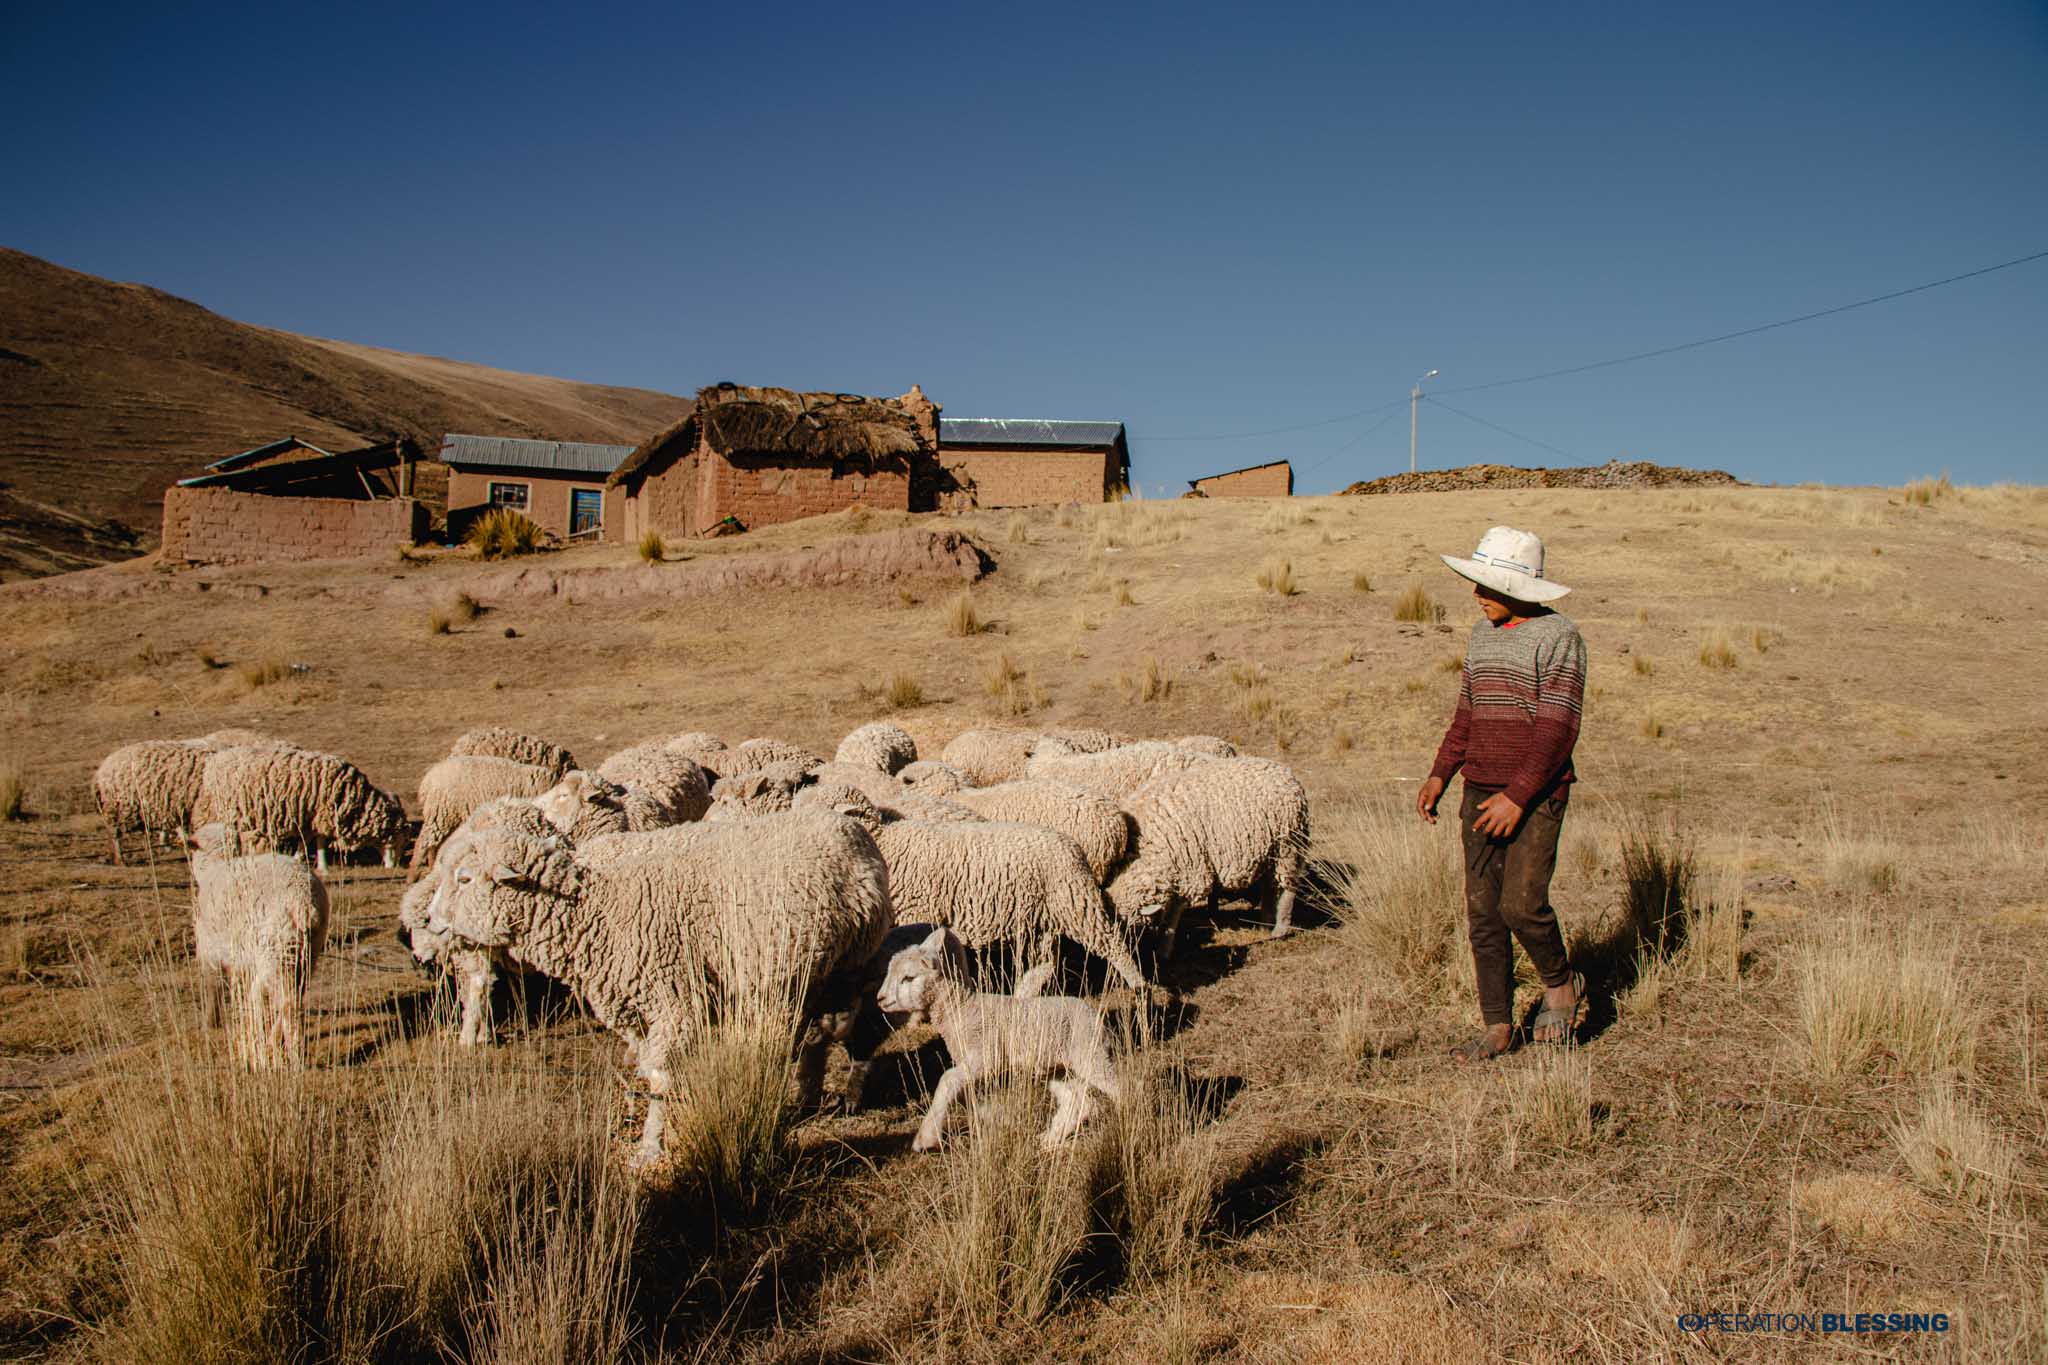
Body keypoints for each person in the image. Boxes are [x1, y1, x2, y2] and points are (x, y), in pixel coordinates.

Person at [1416, 526, 1587, 1062]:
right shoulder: (1480, 634)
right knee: (1483, 912)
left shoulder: (1559, 638)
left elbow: (1558, 729)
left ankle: (1561, 984)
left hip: (1535, 795)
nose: (1476, 594)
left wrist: (1518, 796)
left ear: (1520, 588)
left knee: (1521, 905)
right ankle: (1497, 1024)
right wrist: (1441, 772)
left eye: (1486, 585)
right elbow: (1466, 711)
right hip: (1479, 788)